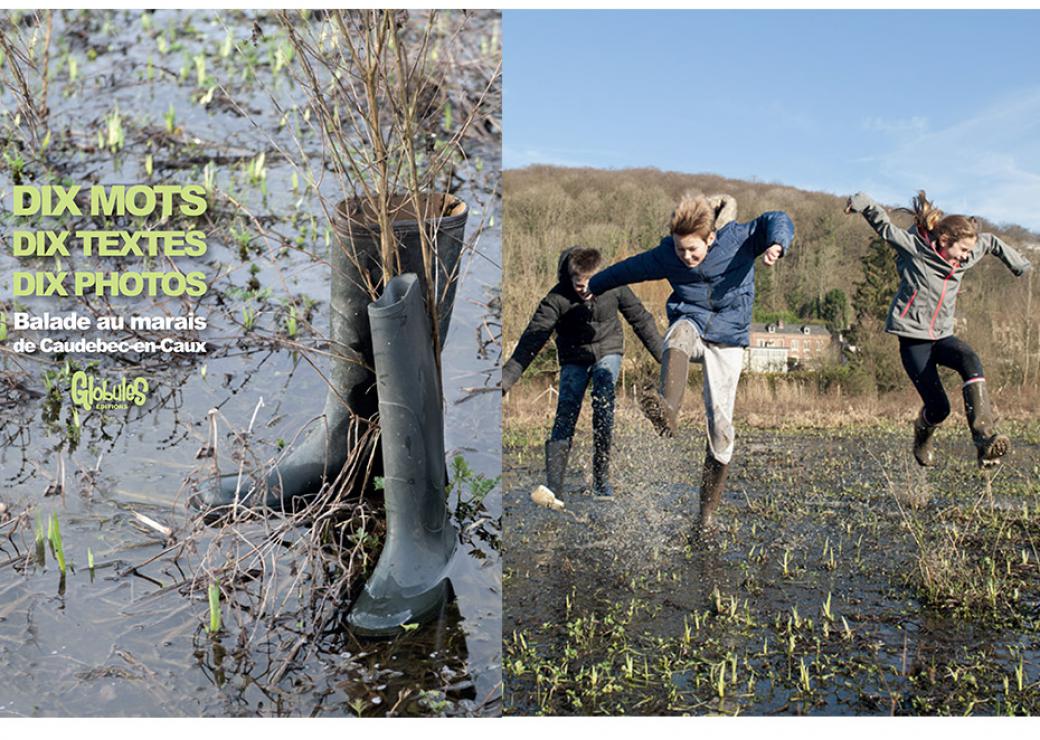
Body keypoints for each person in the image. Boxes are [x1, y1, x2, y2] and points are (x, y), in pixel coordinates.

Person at [588, 193, 794, 534]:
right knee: (677, 334)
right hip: (694, 322)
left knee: (721, 428)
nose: (686, 256)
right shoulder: (669, 254)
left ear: (710, 239)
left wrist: (776, 244)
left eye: (693, 250)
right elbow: (631, 268)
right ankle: (667, 409)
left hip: (728, 337)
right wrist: (595, 284)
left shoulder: (739, 238)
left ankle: (705, 517)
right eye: (680, 249)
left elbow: (778, 218)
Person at [845, 191, 1031, 467]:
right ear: (945, 241)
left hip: (943, 336)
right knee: (939, 408)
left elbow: (990, 242)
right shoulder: (915, 249)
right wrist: (862, 202)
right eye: (963, 251)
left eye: (970, 251)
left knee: (970, 359)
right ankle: (922, 434)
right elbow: (885, 228)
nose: (967, 257)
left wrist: (1019, 264)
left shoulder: (964, 255)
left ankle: (984, 440)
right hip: (914, 340)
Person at [502, 246, 663, 499]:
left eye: (591, 284)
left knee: (603, 398)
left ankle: (601, 480)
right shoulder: (556, 299)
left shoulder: (615, 285)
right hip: (574, 356)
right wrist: (504, 380)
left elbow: (641, 320)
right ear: (570, 278)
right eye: (579, 285)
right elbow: (530, 342)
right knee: (565, 412)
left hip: (608, 349)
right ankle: (554, 488)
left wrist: (666, 359)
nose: (585, 290)